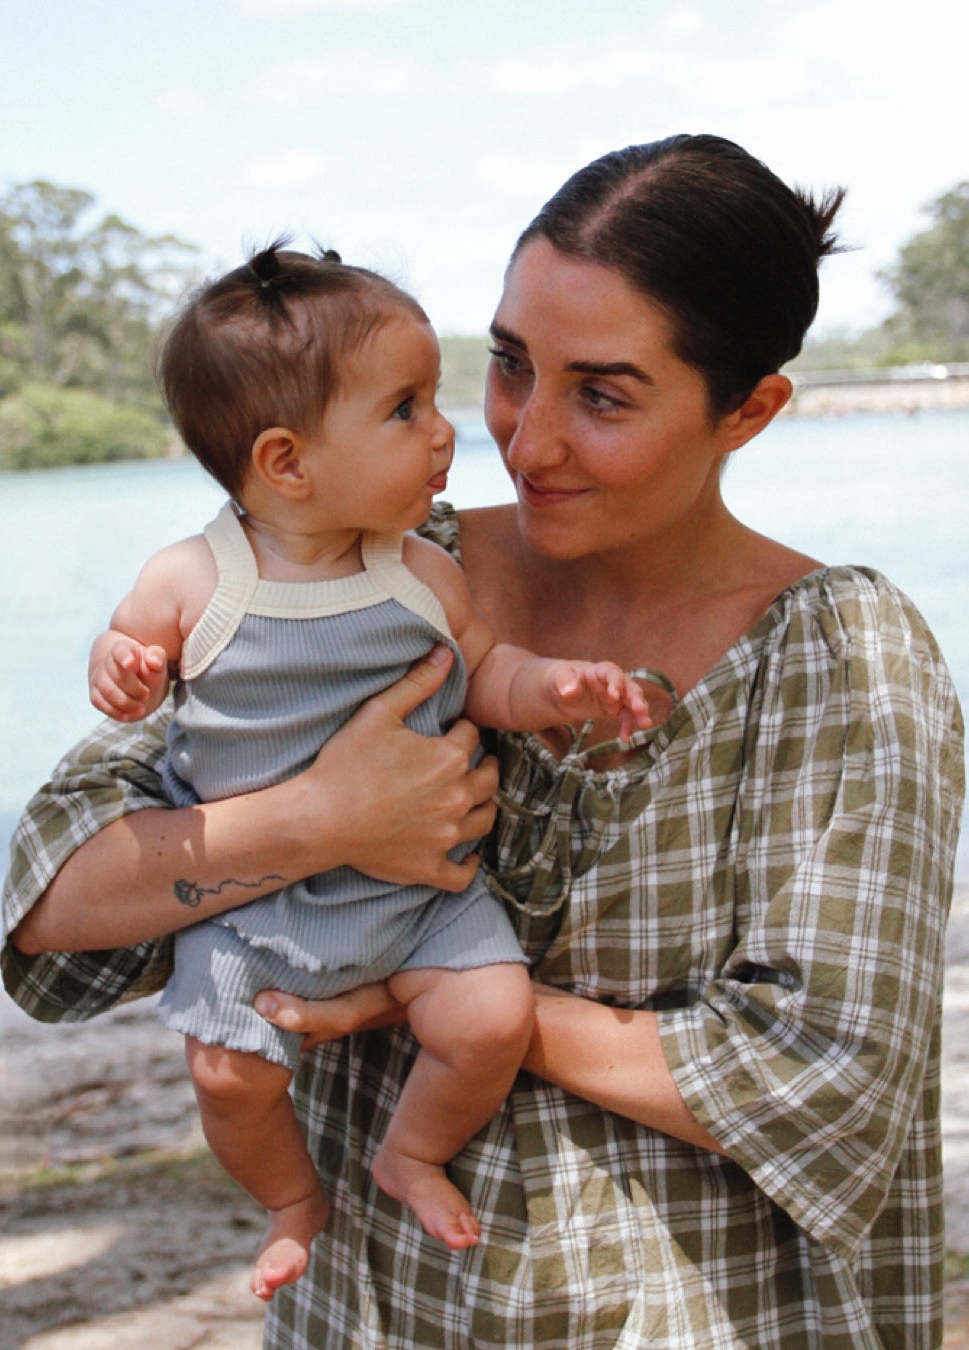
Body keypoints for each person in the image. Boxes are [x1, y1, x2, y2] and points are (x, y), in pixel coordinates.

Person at [2, 133, 964, 1349]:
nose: (524, 438)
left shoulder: (841, 656)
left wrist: (432, 1000)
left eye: (602, 395)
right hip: (378, 1311)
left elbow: (827, 1078)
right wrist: (322, 820)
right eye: (511, 365)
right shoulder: (366, 564)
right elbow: (54, 901)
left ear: (750, 410)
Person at [84, 242, 652, 1299]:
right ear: (287, 462)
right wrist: (123, 668)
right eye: (404, 410)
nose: (445, 431)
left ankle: (412, 1152)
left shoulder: (420, 570)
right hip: (255, 909)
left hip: (422, 898)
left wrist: (556, 688)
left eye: (435, 398)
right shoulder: (195, 579)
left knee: (491, 1019)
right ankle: (292, 1200)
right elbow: (130, 650)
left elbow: (485, 671)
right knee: (227, 1072)